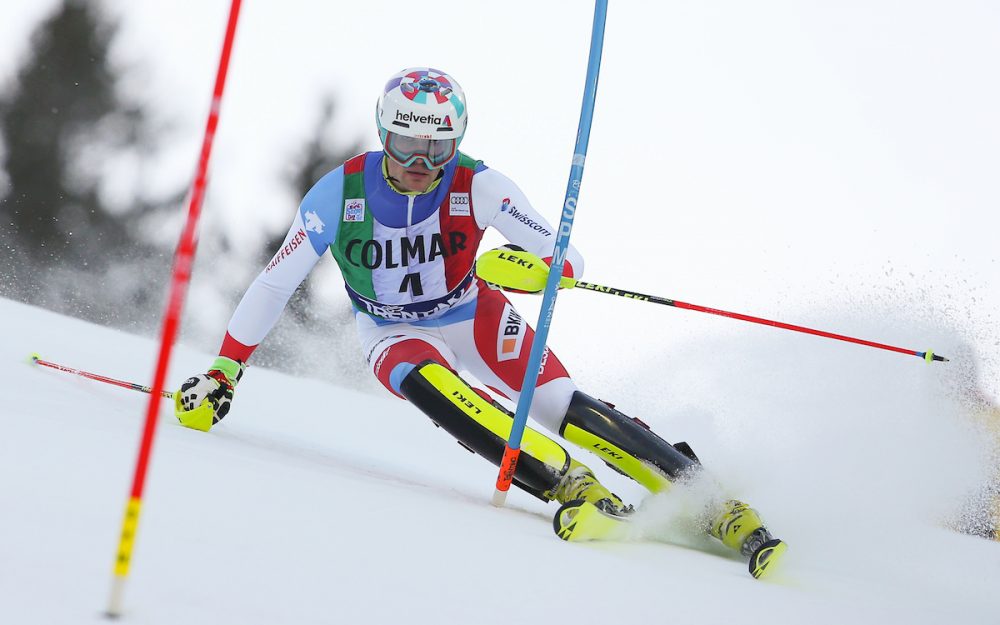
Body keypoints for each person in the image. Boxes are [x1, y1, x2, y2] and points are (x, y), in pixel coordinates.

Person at [174, 67, 784, 574]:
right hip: (391, 330)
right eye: (407, 145)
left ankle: (713, 502)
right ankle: (573, 488)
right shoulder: (338, 194)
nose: (421, 161)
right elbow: (275, 281)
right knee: (440, 392)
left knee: (560, 405)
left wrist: (541, 268)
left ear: (456, 141)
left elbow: (565, 255)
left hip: (474, 311)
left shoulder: (479, 184)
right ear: (384, 133)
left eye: (438, 147)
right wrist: (225, 370)